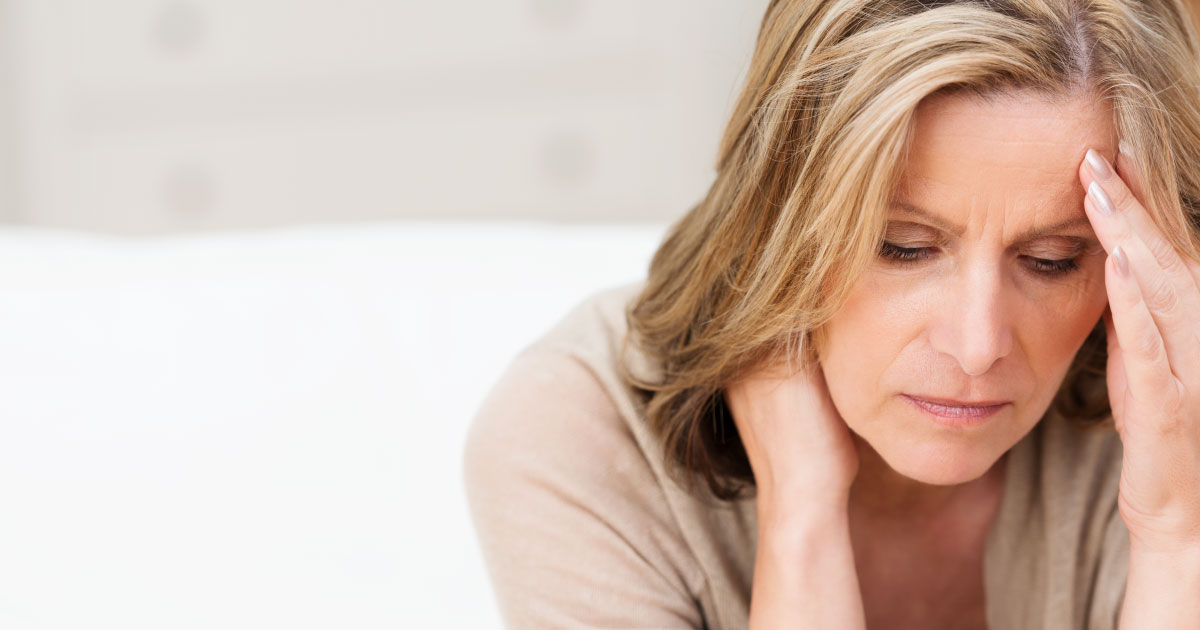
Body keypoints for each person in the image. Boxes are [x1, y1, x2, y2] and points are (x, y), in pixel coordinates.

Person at [462, 1, 1200, 628]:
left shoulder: (1165, 411)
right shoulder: (578, 437)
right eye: (901, 247)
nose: (978, 346)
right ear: (776, 222)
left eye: (1052, 260)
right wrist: (802, 520)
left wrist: (1176, 539)